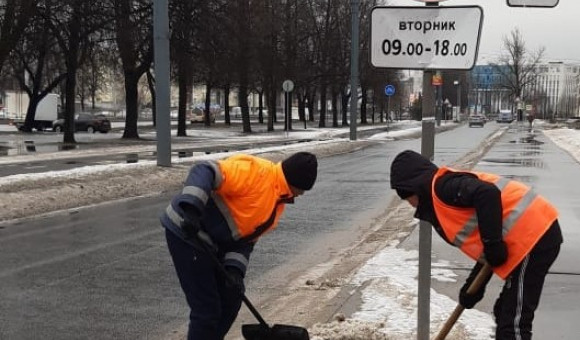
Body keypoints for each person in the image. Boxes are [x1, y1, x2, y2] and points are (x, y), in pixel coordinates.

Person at [389, 150, 562, 340]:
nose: (409, 203)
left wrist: (493, 244)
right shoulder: (441, 198)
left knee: (514, 324)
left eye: (406, 197)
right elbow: (488, 242)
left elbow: (486, 194)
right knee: (504, 311)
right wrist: (473, 286)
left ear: (414, 188)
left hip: (534, 234)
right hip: (527, 235)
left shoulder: (444, 187)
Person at [161, 152, 318, 340]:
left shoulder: (277, 204)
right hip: (186, 231)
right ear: (294, 180)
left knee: (232, 298)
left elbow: (245, 242)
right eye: (302, 189)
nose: (301, 195)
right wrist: (192, 208)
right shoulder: (255, 173)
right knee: (207, 310)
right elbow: (205, 169)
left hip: (212, 243)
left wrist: (234, 271)